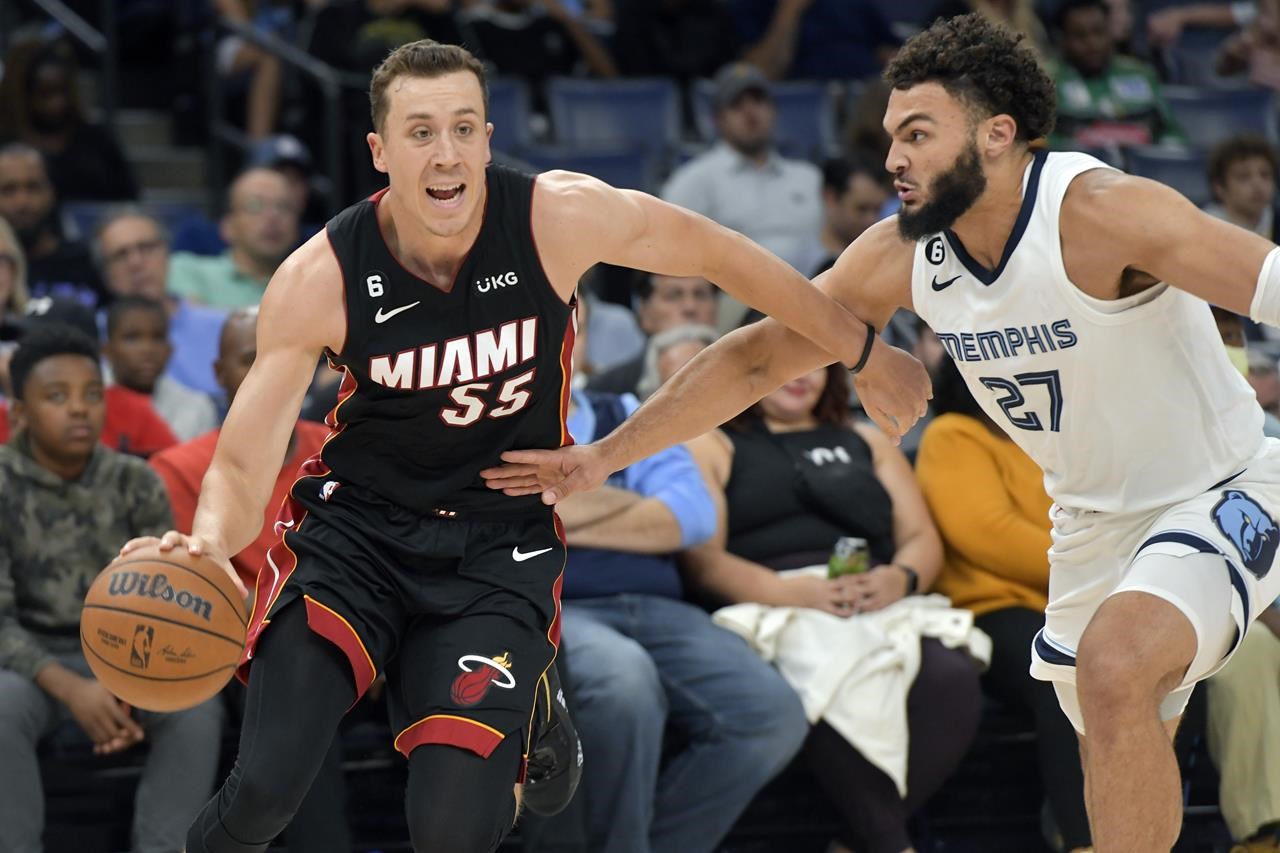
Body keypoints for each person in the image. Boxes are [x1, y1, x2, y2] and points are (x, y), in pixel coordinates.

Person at [485, 14, 1280, 851]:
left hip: (1223, 483)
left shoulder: (1104, 212)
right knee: (1121, 729)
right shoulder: (906, 252)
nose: (893, 156)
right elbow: (756, 359)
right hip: (1091, 517)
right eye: (893, 134)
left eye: (919, 134)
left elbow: (1267, 282)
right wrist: (603, 456)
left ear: (997, 134)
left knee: (1114, 667)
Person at [118, 39, 914, 853]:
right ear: (380, 151)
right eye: (421, 132)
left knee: (451, 832)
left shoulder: (555, 217)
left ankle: (534, 698)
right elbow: (246, 456)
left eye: (464, 127)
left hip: (497, 543)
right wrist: (210, 541)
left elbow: (721, 254)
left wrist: (858, 347)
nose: (447, 153)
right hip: (355, 538)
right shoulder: (321, 275)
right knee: (263, 791)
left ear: (489, 139)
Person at [681, 363, 983, 853]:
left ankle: (857, 842)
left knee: (951, 675)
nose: (799, 376)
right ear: (749, 365)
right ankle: (892, 844)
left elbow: (920, 537)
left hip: (875, 593)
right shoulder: (712, 443)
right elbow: (703, 560)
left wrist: (900, 577)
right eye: (785, 363)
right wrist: (791, 593)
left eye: (814, 365)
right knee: (828, 675)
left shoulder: (867, 438)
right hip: (773, 599)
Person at [558, 297, 807, 853]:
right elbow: (499, 525)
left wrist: (559, 508)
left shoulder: (625, 410)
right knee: (624, 686)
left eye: (576, 327)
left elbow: (690, 517)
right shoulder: (488, 430)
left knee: (771, 713)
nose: (564, 340)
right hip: (560, 611)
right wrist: (632, 503)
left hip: (660, 607)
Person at [0, 324, 223, 853]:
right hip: (32, 663)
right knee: (1, 707)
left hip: (129, 653)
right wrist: (74, 690)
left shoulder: (134, 480)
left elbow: (164, 597)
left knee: (197, 709)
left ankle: (163, 847)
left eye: (92, 395)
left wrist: (126, 680)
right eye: (58, 397)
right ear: (20, 412)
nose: (80, 409)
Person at [148, 307, 350, 853]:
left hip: (357, 625)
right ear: (218, 374)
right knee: (300, 690)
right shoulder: (178, 467)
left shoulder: (345, 450)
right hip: (243, 645)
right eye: (248, 359)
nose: (270, 372)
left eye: (284, 357)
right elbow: (188, 594)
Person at [915, 356, 1091, 853]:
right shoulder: (954, 434)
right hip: (992, 606)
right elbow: (987, 533)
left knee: (1172, 670)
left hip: (1081, 602)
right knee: (1066, 675)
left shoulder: (1062, 442)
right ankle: (1082, 838)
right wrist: (1099, 569)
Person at [662, 62, 822, 328]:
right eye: (737, 104)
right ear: (718, 119)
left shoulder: (809, 178)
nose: (750, 112)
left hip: (815, 295)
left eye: (758, 101)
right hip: (737, 305)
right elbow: (671, 255)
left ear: (773, 110)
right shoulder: (694, 180)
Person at [94, 207, 228, 397]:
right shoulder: (92, 335)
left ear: (168, 255)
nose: (136, 263)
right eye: (121, 255)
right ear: (105, 274)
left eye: (146, 248)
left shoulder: (223, 327)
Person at [0, 35, 139, 202]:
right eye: (46, 94)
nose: (57, 103)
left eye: (63, 91)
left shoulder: (96, 141)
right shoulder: (6, 141)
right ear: (24, 95)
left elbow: (129, 198)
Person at [1048, 0, 1183, 149]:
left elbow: (1171, 134)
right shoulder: (1049, 81)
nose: (1092, 43)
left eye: (1098, 32)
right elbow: (1044, 141)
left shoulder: (1140, 73)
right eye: (1080, 36)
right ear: (1063, 39)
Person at [166, 168, 301, 309]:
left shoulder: (308, 285)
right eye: (255, 206)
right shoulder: (187, 271)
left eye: (284, 207)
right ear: (227, 226)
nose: (273, 216)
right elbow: (191, 319)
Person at [0, 143, 108, 308]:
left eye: (33, 187)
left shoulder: (87, 262)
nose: (22, 202)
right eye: (8, 190)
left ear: (52, 192)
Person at [103, 296, 220, 441]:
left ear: (170, 349)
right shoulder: (92, 402)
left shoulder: (197, 408)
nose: (147, 349)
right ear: (107, 350)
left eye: (158, 337)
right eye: (132, 338)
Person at [589, 272, 719, 394]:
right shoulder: (605, 392)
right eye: (673, 295)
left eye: (700, 295)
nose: (690, 307)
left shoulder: (733, 376)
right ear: (643, 309)